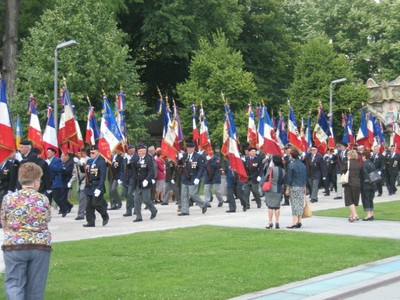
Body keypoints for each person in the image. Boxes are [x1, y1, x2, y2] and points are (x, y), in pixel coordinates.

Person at [1, 162, 52, 299]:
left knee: (14, 284)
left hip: (14, 244)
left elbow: (3, 220)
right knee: (36, 288)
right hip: (39, 245)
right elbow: (46, 219)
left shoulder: (8, 198)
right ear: (36, 182)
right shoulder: (43, 199)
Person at [177, 142, 207, 216]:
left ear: (193, 148)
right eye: (188, 148)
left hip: (193, 178)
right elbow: (180, 164)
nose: (189, 149)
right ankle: (185, 211)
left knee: (192, 194)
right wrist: (179, 158)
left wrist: (197, 178)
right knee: (184, 194)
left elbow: (201, 168)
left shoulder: (198, 157)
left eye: (190, 148)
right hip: (185, 177)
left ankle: (203, 205)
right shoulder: (185, 155)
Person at [82, 145, 110, 227]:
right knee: (88, 206)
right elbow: (85, 172)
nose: (91, 154)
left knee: (96, 203)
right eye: (90, 153)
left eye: (93, 153)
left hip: (97, 185)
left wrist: (99, 188)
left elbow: (102, 177)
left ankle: (105, 216)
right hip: (89, 186)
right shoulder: (89, 161)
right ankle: (90, 222)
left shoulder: (101, 162)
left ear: (98, 153)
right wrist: (81, 164)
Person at [131, 144, 158, 222]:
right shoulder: (136, 158)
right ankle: (138, 216)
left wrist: (147, 179)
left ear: (145, 151)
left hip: (146, 181)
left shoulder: (149, 158)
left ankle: (153, 210)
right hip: (138, 182)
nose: (139, 152)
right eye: (138, 151)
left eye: (141, 151)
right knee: (136, 198)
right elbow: (134, 168)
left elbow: (151, 171)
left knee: (146, 199)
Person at [285, 148, 307, 229]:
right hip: (301, 186)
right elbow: (305, 177)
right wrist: (305, 187)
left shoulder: (291, 165)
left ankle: (294, 222)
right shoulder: (303, 165)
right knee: (300, 203)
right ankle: (299, 221)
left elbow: (289, 178)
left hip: (294, 186)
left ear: (291, 155)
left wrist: (287, 188)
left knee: (294, 204)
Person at [263, 155, 285, 229]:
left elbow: (266, 177)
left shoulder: (271, 169)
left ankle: (270, 222)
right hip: (279, 189)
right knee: (277, 207)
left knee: (270, 206)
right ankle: (277, 222)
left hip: (270, 189)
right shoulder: (283, 170)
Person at [47, 147, 70, 217]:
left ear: (53, 153)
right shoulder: (46, 160)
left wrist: (50, 164)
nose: (48, 153)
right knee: (47, 198)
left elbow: (59, 169)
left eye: (49, 152)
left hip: (55, 180)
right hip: (48, 181)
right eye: (47, 152)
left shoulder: (57, 160)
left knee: (56, 197)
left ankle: (64, 208)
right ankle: (47, 213)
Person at [341, 150, 361, 222]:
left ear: (350, 156)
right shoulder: (359, 163)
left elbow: (342, 170)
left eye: (348, 155)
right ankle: (351, 215)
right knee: (354, 200)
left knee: (349, 201)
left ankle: (355, 215)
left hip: (349, 183)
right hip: (357, 183)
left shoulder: (347, 163)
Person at [70, 149, 89, 220]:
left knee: (82, 198)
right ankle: (86, 210)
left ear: (84, 153)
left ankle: (81, 214)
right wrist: (71, 181)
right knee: (81, 198)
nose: (78, 155)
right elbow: (75, 173)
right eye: (77, 154)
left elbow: (86, 171)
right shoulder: (78, 160)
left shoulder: (88, 159)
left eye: (79, 153)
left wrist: (79, 163)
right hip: (79, 182)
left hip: (85, 181)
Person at [360, 150, 376, 221]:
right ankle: (372, 214)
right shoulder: (372, 163)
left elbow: (365, 174)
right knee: (370, 199)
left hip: (366, 184)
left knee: (366, 199)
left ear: (364, 156)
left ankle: (368, 215)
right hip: (373, 184)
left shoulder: (364, 164)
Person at [122, 145, 137, 216]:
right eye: (128, 150)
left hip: (133, 177)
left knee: (129, 193)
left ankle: (129, 211)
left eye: (130, 149)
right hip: (126, 177)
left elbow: (133, 165)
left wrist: (129, 159)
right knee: (125, 194)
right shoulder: (125, 158)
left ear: (134, 150)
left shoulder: (136, 157)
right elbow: (123, 168)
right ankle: (134, 205)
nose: (129, 151)